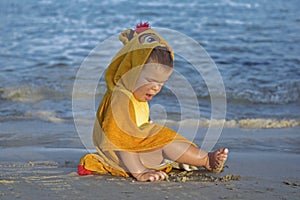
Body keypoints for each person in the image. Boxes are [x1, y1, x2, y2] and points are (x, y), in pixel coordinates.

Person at [78, 22, 228, 182]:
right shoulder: (121, 98)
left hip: (135, 153)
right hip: (123, 158)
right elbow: (122, 140)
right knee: (164, 140)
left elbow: (137, 127)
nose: (156, 88)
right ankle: (205, 160)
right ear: (129, 71)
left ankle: (202, 159)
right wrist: (140, 171)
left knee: (163, 137)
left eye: (162, 83)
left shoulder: (135, 95)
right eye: (151, 80)